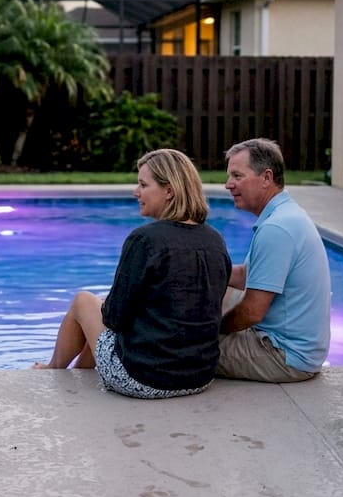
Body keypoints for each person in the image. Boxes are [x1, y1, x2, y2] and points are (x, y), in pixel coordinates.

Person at [35, 148, 232, 399]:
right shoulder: (215, 240)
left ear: (169, 191)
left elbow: (114, 319)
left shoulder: (145, 240)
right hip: (199, 376)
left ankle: (52, 368)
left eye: (142, 184)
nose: (135, 192)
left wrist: (105, 306)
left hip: (145, 377)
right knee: (103, 310)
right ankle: (81, 371)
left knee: (84, 302)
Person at [217, 138, 331, 383]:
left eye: (237, 176)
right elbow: (247, 276)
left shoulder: (277, 228)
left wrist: (212, 330)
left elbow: (252, 312)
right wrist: (199, 272)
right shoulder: (285, 215)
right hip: (296, 348)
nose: (228, 185)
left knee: (181, 348)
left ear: (266, 178)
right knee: (218, 290)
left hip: (283, 355)